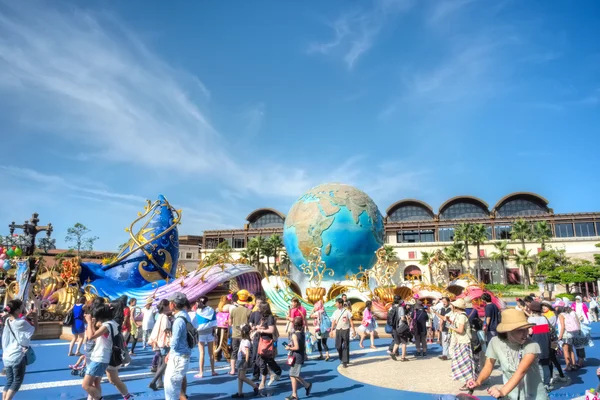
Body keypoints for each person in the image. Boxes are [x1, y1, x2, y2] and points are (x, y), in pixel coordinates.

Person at [468, 309, 547, 400]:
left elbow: (521, 371)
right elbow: (488, 366)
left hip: (534, 396)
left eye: (526, 329)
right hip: (510, 395)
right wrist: (478, 382)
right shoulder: (495, 342)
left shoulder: (532, 345)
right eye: (520, 330)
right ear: (507, 330)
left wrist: (502, 391)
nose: (526, 333)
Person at [2, 299, 37, 400]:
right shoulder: (22, 322)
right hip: (16, 356)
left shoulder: (8, 320)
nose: (23, 308)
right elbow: (35, 329)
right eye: (22, 307)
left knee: (9, 381)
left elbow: (19, 321)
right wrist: (34, 316)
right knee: (17, 381)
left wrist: (26, 315)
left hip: (7, 355)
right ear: (17, 310)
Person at [82, 303, 115, 400]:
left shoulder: (106, 326)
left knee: (85, 385)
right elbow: (96, 338)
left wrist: (88, 322)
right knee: (96, 383)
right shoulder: (111, 324)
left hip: (100, 358)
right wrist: (92, 324)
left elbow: (90, 337)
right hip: (101, 357)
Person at [164, 292, 192, 400]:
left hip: (178, 357)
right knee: (175, 388)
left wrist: (169, 344)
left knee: (171, 389)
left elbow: (174, 342)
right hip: (182, 355)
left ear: (173, 304)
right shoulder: (185, 316)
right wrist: (170, 352)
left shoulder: (178, 321)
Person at [448, 299, 475, 391]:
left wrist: (452, 328)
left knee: (465, 363)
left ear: (456, 307)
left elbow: (460, 330)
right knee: (464, 363)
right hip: (461, 341)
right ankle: (468, 382)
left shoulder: (462, 316)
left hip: (464, 341)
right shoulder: (460, 315)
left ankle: (469, 383)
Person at [284, 317, 313, 400]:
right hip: (299, 356)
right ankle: (306, 385)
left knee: (293, 374)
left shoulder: (294, 335)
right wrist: (291, 346)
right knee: (294, 374)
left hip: (296, 357)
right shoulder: (302, 333)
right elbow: (299, 345)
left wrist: (289, 348)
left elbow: (296, 347)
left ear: (294, 325)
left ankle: (295, 395)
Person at [255, 302, 282, 389]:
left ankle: (263, 381)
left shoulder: (270, 317)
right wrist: (258, 327)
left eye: (260, 308)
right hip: (262, 340)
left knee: (264, 360)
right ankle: (275, 372)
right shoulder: (263, 317)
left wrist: (261, 330)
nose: (258, 310)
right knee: (264, 360)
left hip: (267, 341)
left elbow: (271, 330)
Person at [527, 302, 552, 391]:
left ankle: (537, 383)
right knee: (545, 365)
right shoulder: (544, 318)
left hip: (534, 345)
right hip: (545, 344)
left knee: (534, 365)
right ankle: (547, 383)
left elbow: (529, 333)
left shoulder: (530, 320)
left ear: (532, 310)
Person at [148, 299, 172, 390]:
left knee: (161, 361)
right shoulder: (165, 317)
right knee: (166, 361)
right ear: (166, 306)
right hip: (165, 342)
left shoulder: (160, 316)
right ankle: (154, 381)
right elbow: (166, 329)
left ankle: (159, 382)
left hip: (160, 341)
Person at [540, 302, 567, 384]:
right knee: (552, 358)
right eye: (542, 306)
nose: (544, 307)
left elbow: (545, 326)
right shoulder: (545, 315)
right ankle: (559, 376)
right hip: (551, 338)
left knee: (552, 357)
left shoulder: (551, 315)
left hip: (551, 339)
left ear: (549, 306)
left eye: (545, 306)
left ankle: (553, 377)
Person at [231, 324, 259, 398]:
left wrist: (246, 362)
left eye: (242, 331)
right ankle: (240, 392)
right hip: (240, 359)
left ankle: (255, 386)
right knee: (239, 376)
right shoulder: (243, 340)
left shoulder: (246, 341)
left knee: (242, 377)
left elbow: (247, 352)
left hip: (243, 360)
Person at [194, 296, 217, 378]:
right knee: (211, 352)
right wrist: (215, 334)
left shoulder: (197, 311)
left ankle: (201, 372)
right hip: (210, 332)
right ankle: (213, 371)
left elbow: (195, 323)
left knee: (201, 353)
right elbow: (214, 323)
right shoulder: (211, 310)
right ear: (207, 302)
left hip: (200, 333)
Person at [229, 293, 252, 375]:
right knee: (246, 351)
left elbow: (230, 322)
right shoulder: (248, 311)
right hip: (245, 334)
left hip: (235, 333)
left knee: (234, 351)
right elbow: (250, 323)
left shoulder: (233, 310)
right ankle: (246, 366)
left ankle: (232, 369)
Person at [331, 298, 352, 368]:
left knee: (346, 345)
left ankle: (345, 361)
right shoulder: (335, 312)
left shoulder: (347, 311)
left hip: (345, 329)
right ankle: (341, 356)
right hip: (338, 329)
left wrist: (354, 330)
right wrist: (331, 330)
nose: (336, 304)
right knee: (338, 346)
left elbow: (351, 321)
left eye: (337, 303)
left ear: (340, 304)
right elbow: (333, 321)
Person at [249, 296, 264, 380]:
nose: (258, 305)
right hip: (256, 337)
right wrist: (253, 327)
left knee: (265, 357)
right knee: (254, 356)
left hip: (264, 337)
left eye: (260, 303)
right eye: (257, 303)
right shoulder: (254, 313)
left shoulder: (266, 314)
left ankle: (273, 371)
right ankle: (256, 375)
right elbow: (250, 322)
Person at [390, 298, 410, 362]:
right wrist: (407, 319)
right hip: (401, 327)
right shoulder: (401, 308)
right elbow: (402, 318)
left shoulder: (393, 308)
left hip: (394, 327)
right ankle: (403, 357)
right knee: (404, 342)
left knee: (397, 342)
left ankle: (393, 352)